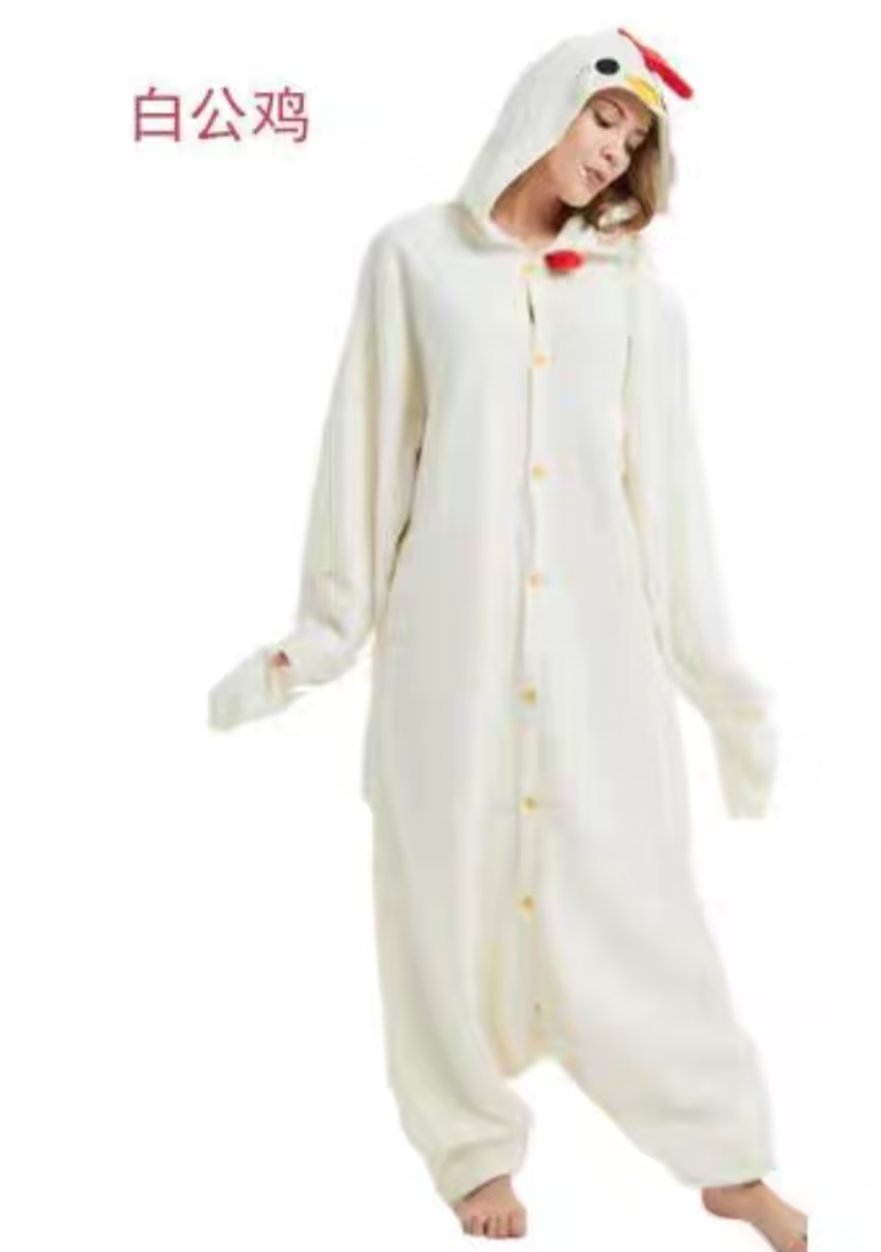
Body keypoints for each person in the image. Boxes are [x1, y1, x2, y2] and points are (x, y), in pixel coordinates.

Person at [209, 26, 807, 1250]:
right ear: (551, 102)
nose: (613, 153)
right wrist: (322, 637)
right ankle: (470, 1144)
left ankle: (724, 1149)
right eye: (605, 120)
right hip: (451, 643)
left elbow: (672, 508)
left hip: (597, 652)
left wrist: (724, 692)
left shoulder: (638, 302)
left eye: (633, 142)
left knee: (637, 894)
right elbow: (367, 458)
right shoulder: (414, 260)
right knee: (439, 888)